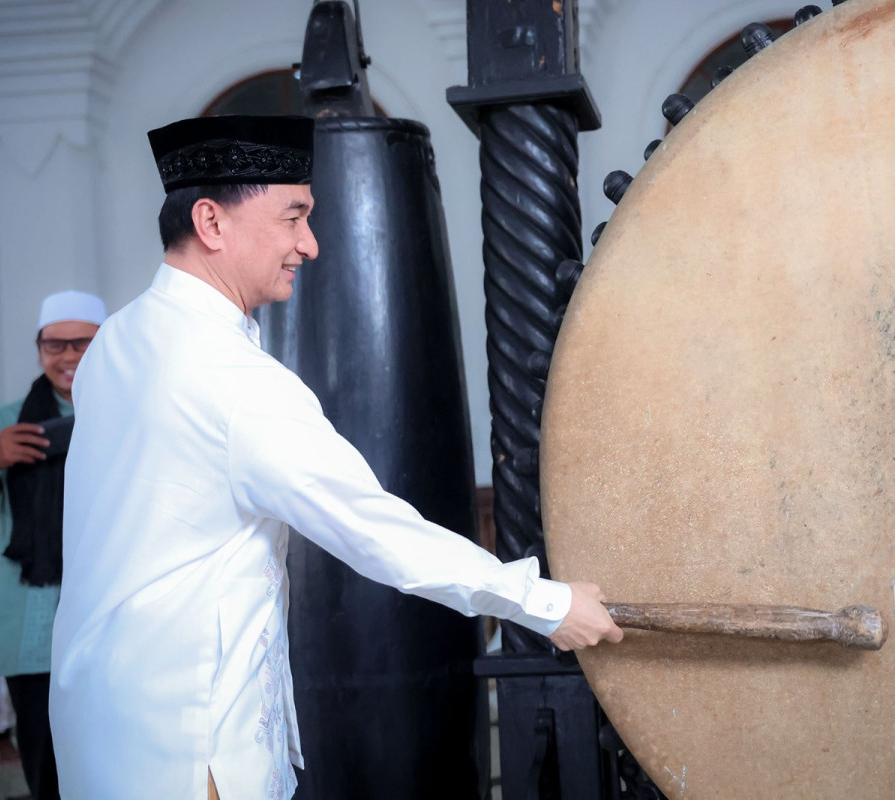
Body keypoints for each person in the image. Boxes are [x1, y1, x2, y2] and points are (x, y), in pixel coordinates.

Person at [49, 115, 622, 800]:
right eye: (293, 218)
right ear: (211, 222)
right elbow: (374, 531)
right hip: (188, 742)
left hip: (98, 723)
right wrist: (544, 604)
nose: (310, 245)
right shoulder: (232, 379)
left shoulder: (115, 341)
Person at [0, 289, 107, 800]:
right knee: (48, 774)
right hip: (33, 631)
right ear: (39, 349)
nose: (67, 357)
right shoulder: (5, 423)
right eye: (55, 345)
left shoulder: (131, 413)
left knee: (120, 768)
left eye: (82, 344)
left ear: (105, 344)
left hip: (114, 622)